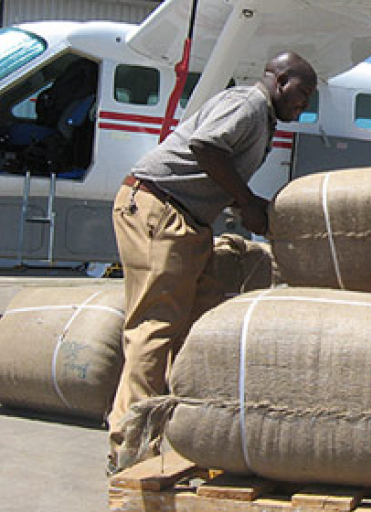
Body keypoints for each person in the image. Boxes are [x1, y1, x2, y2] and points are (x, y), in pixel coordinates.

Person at [107, 52, 317, 473]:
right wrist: (245, 200)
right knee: (156, 326)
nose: (304, 103)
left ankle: (186, 430)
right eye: (301, 93)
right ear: (279, 80)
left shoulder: (262, 117)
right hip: (160, 209)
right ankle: (129, 446)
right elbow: (206, 147)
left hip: (189, 222)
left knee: (201, 321)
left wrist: (251, 203)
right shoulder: (249, 104)